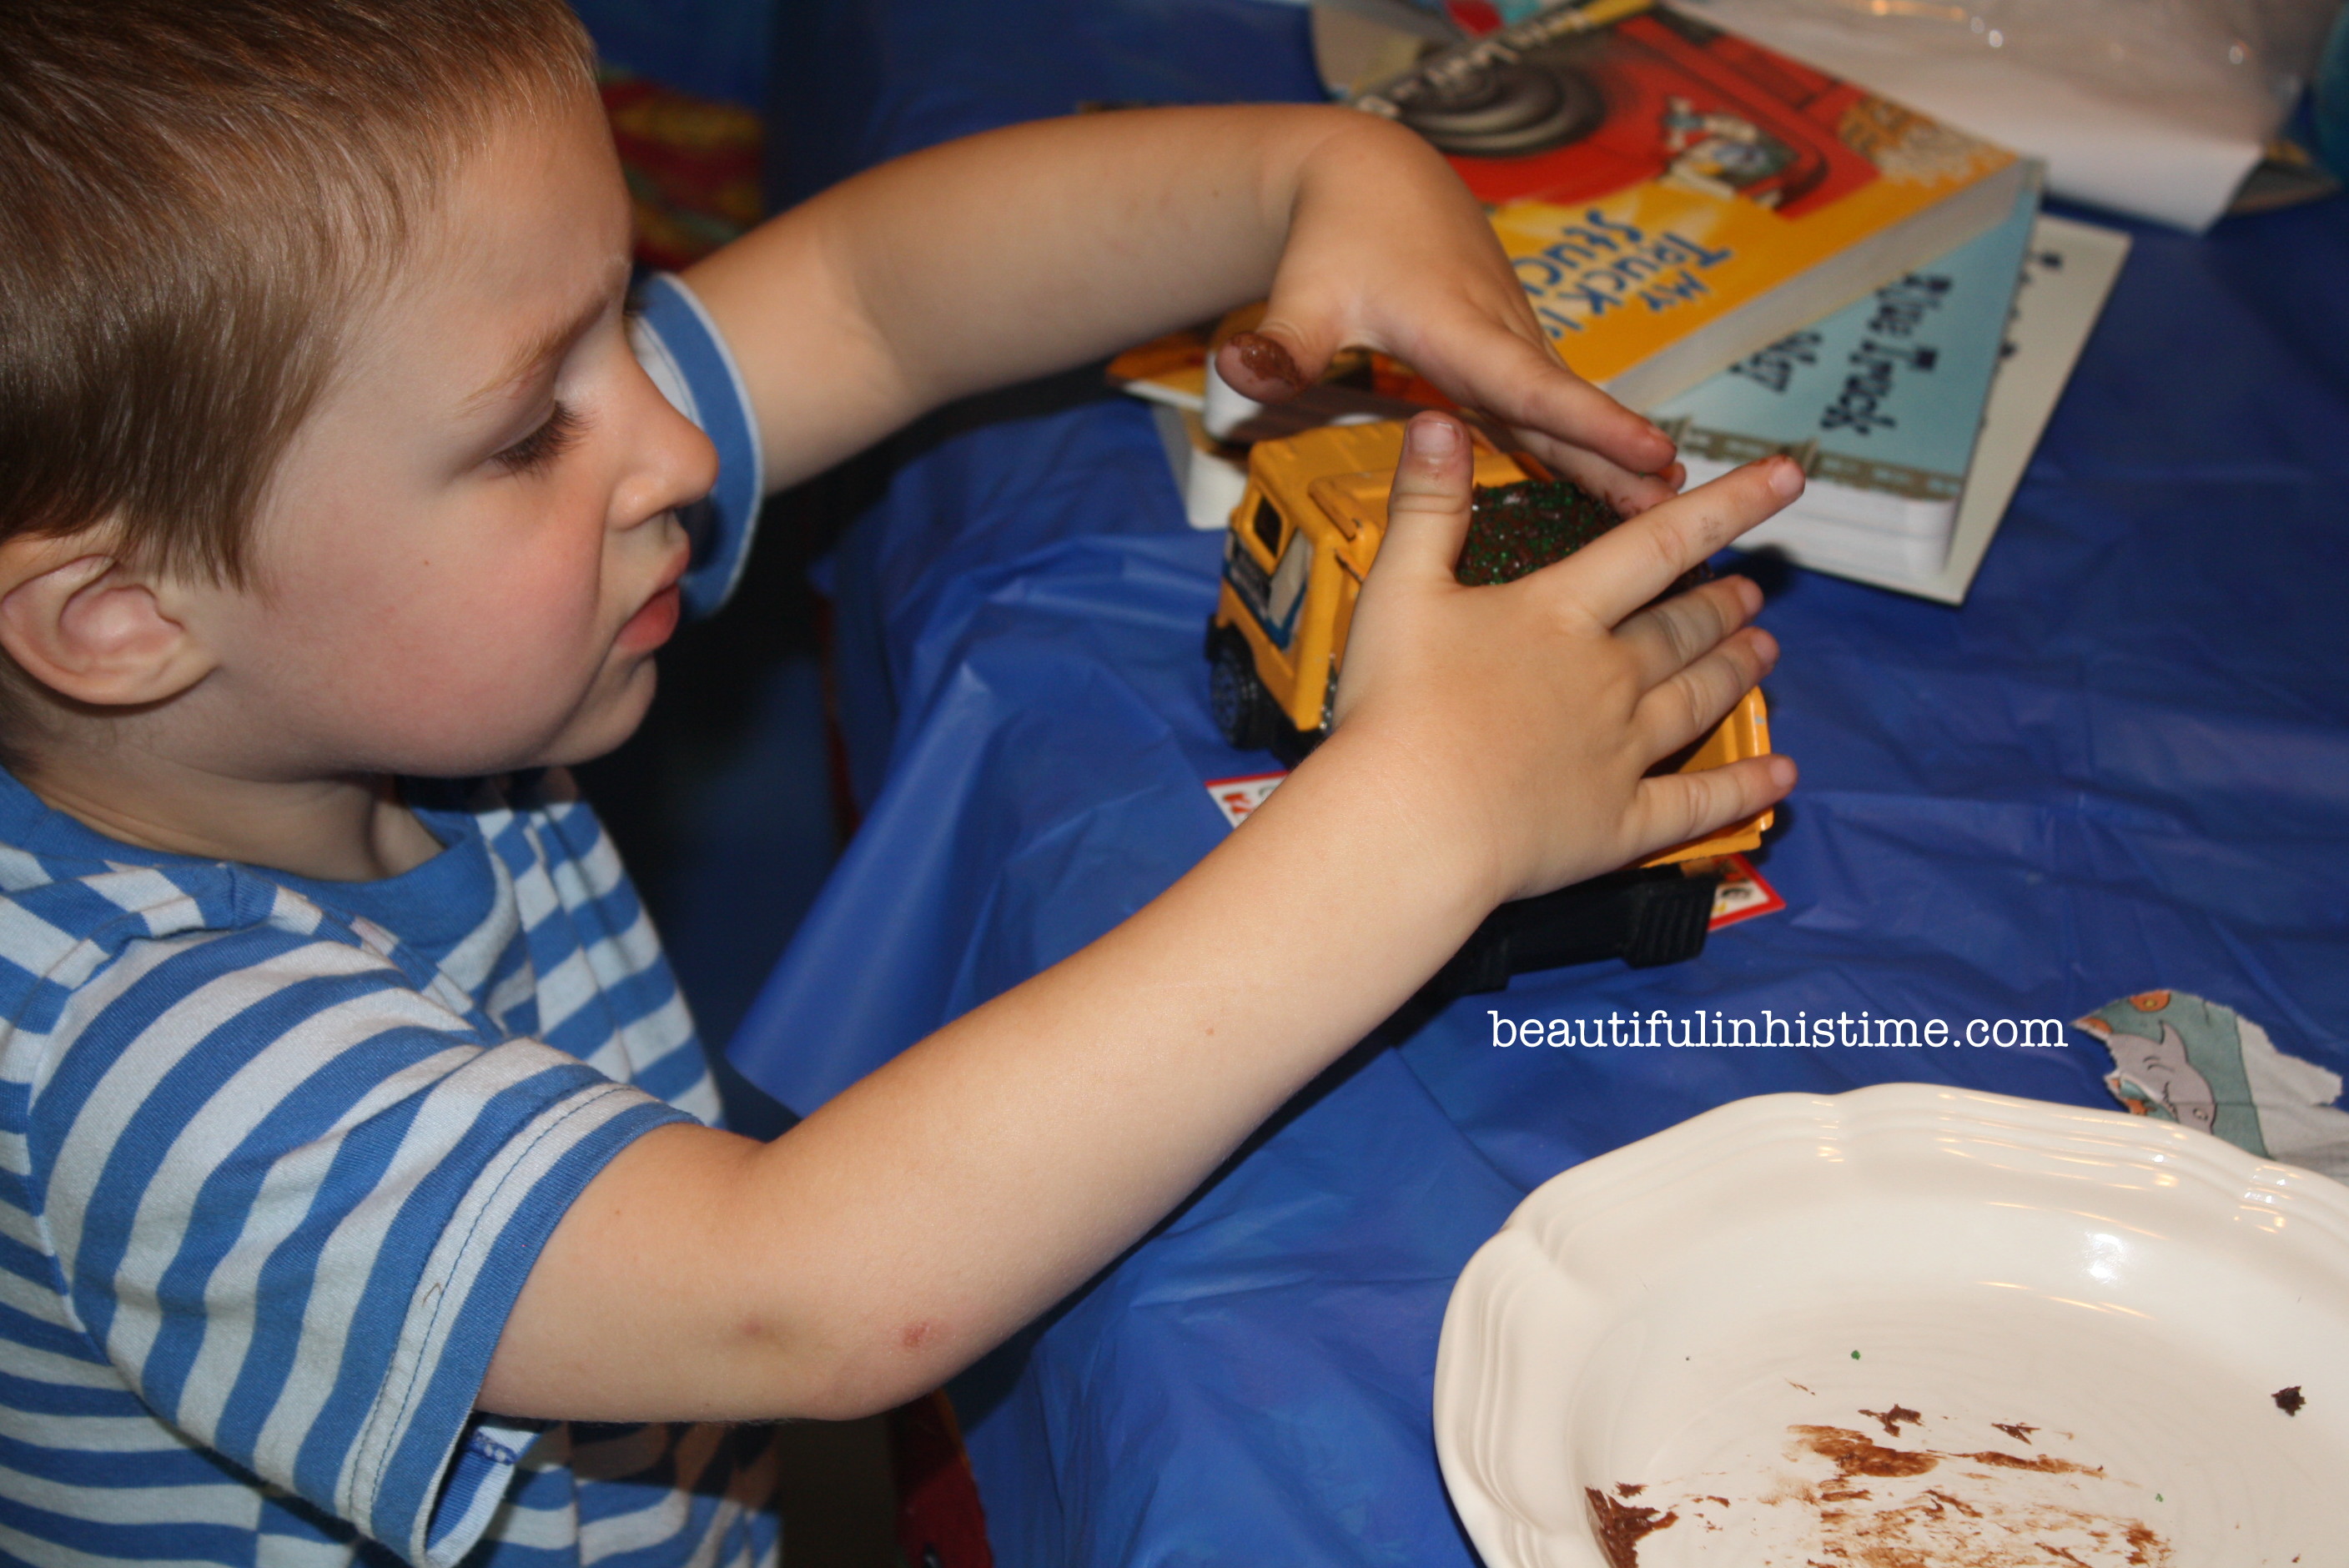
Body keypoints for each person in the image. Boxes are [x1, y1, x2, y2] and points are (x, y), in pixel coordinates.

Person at [0, 1, 1798, 1560]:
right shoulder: (153, 1060)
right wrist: (1426, 812)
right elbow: (803, 1292)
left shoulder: (349, 637)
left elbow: (868, 297)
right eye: (530, 428)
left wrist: (1307, 181)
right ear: (114, 620)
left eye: (624, 326)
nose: (679, 445)